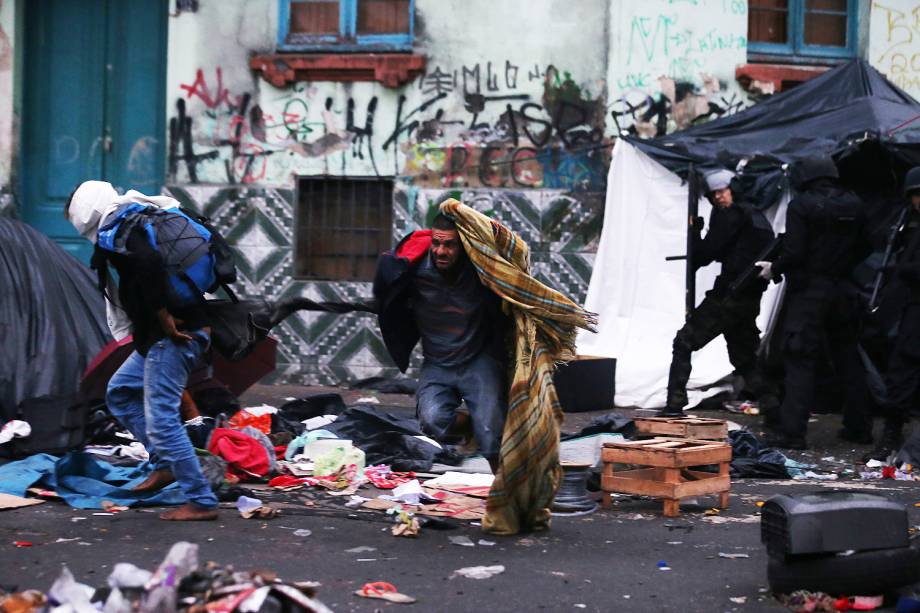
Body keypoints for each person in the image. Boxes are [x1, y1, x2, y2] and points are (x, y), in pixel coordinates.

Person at [65, 180, 219, 521]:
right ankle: (165, 464)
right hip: (161, 337)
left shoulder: (120, 228)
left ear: (84, 214)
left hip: (173, 336)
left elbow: (148, 263)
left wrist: (163, 316)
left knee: (163, 419)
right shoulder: (133, 221)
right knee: (120, 392)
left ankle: (201, 499)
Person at [374, 213, 509, 473]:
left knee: (491, 436)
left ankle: (503, 494)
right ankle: (469, 425)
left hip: (477, 361)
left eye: (450, 245)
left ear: (464, 245)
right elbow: (386, 287)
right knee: (432, 422)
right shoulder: (413, 272)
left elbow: (512, 273)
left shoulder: (480, 272)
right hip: (437, 363)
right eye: (436, 243)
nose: (441, 251)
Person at [758, 157, 870, 450]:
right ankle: (859, 427)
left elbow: (795, 251)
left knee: (799, 360)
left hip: (809, 293)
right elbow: (867, 245)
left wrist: (775, 267)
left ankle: (793, 432)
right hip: (843, 290)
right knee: (848, 358)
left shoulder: (802, 206)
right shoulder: (853, 203)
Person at [660, 169, 775, 417]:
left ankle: (674, 404)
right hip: (747, 298)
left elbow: (704, 255)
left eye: (722, 191)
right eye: (714, 195)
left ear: (732, 188)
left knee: (684, 342)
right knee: (744, 357)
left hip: (729, 297)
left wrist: (697, 233)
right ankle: (775, 407)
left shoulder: (732, 216)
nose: (719, 198)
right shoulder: (755, 215)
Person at [865, 167, 920, 460]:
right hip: (910, 310)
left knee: (904, 372)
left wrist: (903, 270)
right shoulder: (908, 225)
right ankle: (892, 434)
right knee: (901, 375)